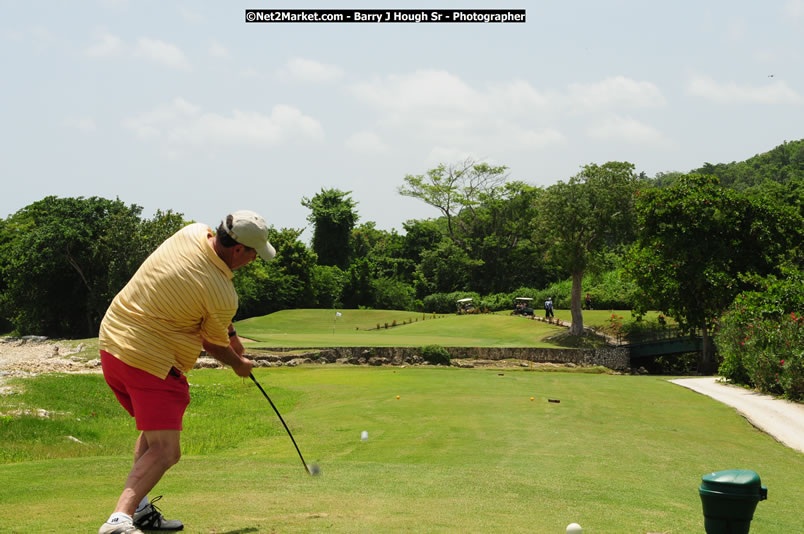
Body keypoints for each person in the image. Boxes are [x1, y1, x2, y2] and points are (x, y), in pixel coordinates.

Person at [97, 211, 275, 534]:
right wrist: (239, 365)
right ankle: (118, 520)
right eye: (253, 254)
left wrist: (232, 336)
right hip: (148, 360)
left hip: (112, 344)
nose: (253, 260)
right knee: (167, 450)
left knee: (155, 433)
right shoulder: (222, 292)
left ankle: (140, 510)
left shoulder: (192, 233)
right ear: (238, 250)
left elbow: (211, 317)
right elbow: (212, 343)